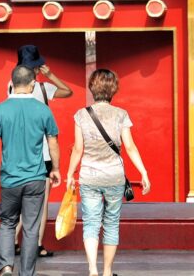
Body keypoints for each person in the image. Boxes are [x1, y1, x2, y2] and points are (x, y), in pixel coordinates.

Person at [66, 69, 151, 276]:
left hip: (89, 176)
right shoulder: (121, 114)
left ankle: (92, 270)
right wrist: (143, 172)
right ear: (113, 89)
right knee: (111, 222)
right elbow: (129, 147)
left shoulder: (81, 115)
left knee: (91, 223)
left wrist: (70, 173)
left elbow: (78, 149)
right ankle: (107, 272)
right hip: (114, 176)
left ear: (92, 88)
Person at [0, 65, 61, 276]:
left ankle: (6, 266)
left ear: (11, 84)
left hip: (9, 179)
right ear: (33, 84)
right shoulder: (43, 110)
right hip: (36, 178)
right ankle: (26, 273)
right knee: (30, 228)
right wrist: (55, 168)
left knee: (8, 223)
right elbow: (52, 141)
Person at [9, 45, 73, 258]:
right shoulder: (43, 88)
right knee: (41, 201)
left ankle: (12, 242)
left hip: (18, 151)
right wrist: (51, 75)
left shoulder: (11, 87)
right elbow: (68, 91)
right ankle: (36, 244)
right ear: (35, 69)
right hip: (42, 153)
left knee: (19, 198)